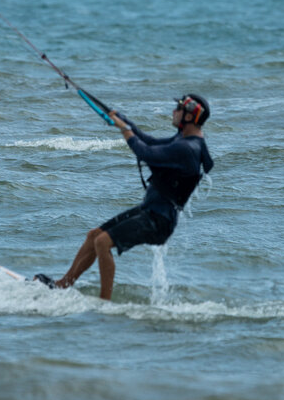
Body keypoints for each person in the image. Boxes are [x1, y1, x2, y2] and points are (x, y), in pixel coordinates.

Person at [39, 94, 215, 300]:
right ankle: (63, 285)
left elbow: (146, 152)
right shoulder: (185, 140)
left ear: (190, 115)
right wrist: (121, 119)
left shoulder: (187, 148)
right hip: (151, 210)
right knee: (94, 235)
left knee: (103, 242)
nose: (173, 112)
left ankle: (104, 302)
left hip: (160, 220)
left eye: (178, 108)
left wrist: (124, 129)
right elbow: (149, 140)